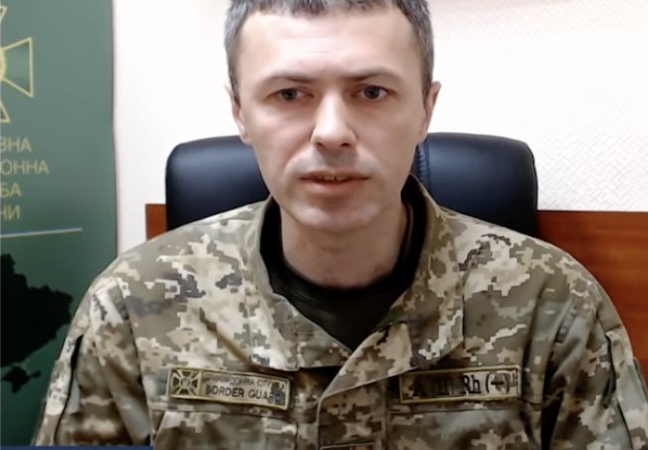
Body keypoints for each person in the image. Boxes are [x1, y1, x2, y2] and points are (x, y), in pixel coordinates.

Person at [35, 0, 648, 448]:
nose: (331, 132)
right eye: (289, 94)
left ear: (425, 109)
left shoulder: (553, 304)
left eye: (372, 92)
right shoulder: (133, 303)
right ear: (240, 113)